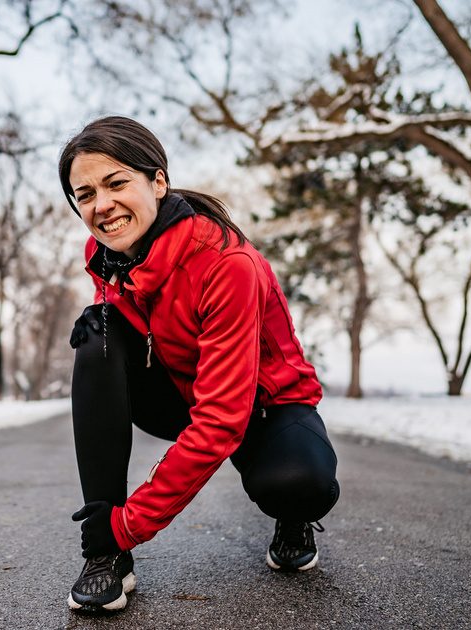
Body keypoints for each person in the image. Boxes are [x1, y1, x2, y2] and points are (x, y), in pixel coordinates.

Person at [59, 116, 340, 614]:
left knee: (298, 483)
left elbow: (221, 420)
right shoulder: (106, 253)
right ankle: (106, 554)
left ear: (158, 182)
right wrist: (105, 317)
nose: (101, 206)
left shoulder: (227, 264)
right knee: (97, 338)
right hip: (180, 389)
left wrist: (133, 520)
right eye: (84, 194)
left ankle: (293, 519)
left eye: (116, 183)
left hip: (262, 405)